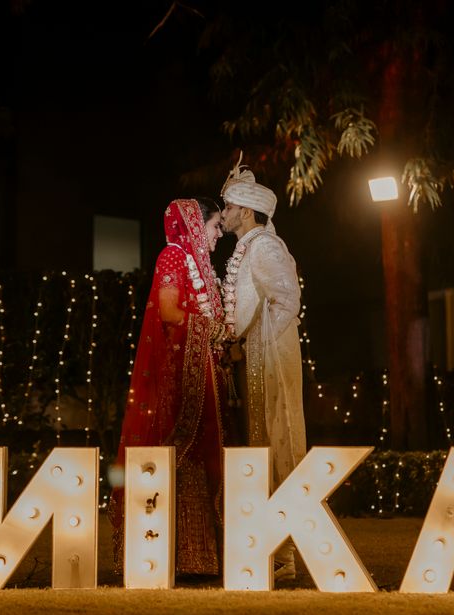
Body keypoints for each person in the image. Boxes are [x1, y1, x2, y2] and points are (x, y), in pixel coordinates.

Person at [109, 197, 228, 577]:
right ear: (196, 225)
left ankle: (197, 556)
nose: (219, 234)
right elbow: (169, 310)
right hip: (180, 378)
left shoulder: (198, 265)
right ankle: (175, 555)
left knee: (198, 458)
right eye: (215, 226)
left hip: (199, 371)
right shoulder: (173, 257)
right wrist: (213, 328)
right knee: (182, 453)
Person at [219, 153, 307, 581]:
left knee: (279, 444)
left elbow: (287, 301)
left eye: (231, 207)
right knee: (257, 450)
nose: (225, 214)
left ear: (248, 211)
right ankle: (265, 548)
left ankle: (285, 556)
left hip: (269, 360)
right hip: (250, 361)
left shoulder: (266, 246)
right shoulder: (247, 248)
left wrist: (259, 343)